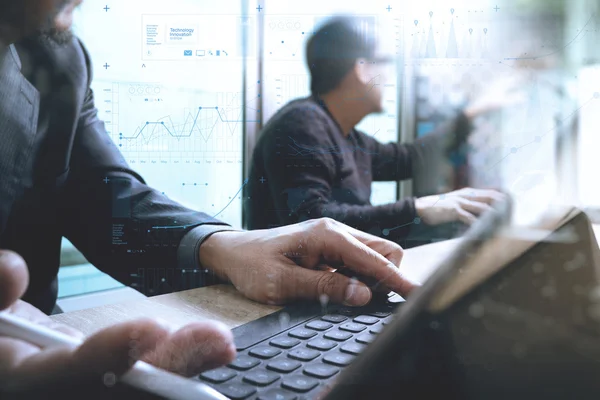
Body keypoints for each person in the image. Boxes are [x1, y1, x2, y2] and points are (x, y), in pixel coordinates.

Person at [0, 1, 417, 397]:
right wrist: (419, 209)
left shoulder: (59, 57)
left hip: (40, 339)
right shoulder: (305, 123)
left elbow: (100, 193)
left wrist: (221, 245)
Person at [245, 16, 507, 242]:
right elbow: (312, 220)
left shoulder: (344, 134)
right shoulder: (302, 124)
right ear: (362, 70)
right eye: (386, 62)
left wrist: (471, 114)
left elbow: (411, 158)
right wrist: (417, 208)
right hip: (287, 294)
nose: (391, 76)